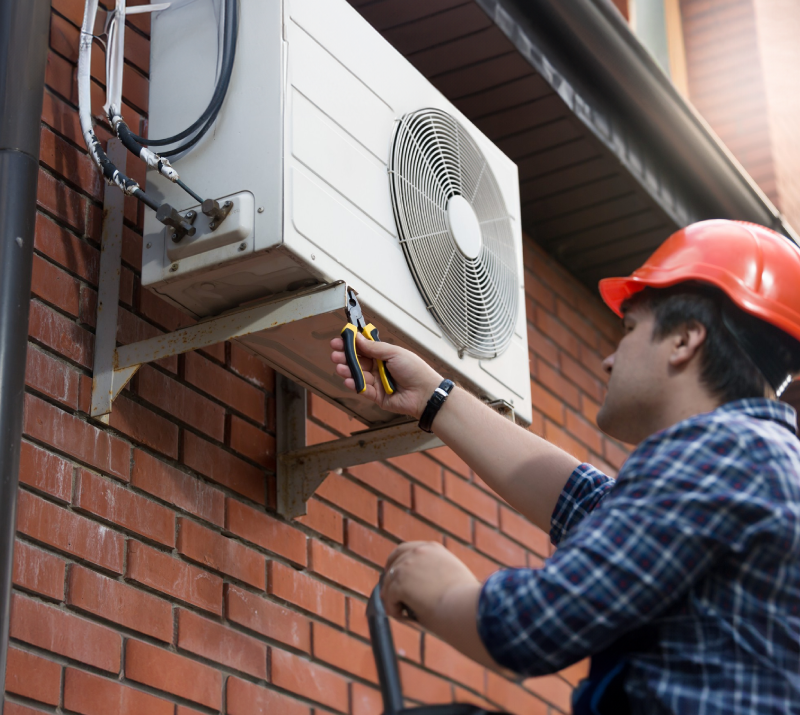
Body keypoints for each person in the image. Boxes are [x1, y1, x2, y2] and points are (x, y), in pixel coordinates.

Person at [330, 220, 800, 714]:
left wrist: (444, 591)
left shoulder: (718, 452)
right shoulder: (751, 459)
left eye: (630, 330)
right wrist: (433, 398)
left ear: (685, 339)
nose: (608, 360)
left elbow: (534, 627)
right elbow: (587, 502)